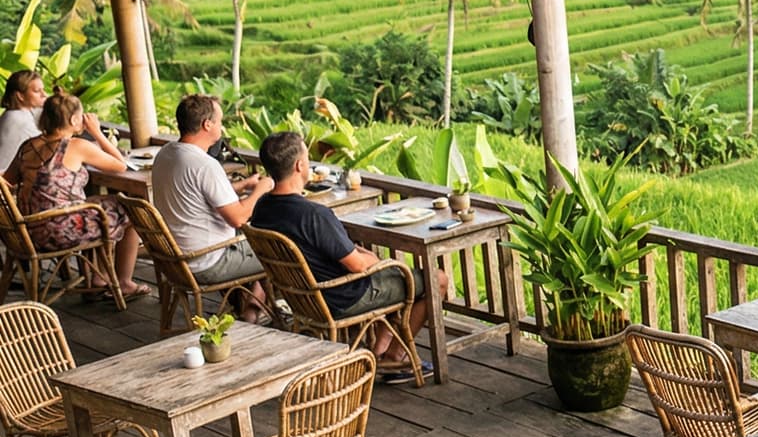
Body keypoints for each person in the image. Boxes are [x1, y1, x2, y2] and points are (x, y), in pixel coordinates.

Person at [250, 130, 443, 375]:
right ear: (299, 165)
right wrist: (374, 260)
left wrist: (360, 254)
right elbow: (358, 266)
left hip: (302, 298)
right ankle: (395, 356)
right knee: (436, 280)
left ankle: (379, 352)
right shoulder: (313, 215)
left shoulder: (262, 208)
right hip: (342, 296)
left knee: (392, 275)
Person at [5, 92, 143, 299]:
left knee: (101, 205)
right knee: (132, 211)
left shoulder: (28, 146)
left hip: (26, 231)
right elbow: (120, 166)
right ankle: (123, 282)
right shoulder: (77, 146)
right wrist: (97, 132)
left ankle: (98, 278)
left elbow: (8, 180)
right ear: (73, 119)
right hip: (60, 231)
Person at [150, 95, 273, 309]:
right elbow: (238, 218)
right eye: (220, 121)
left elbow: (194, 195)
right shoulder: (204, 165)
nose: (222, 127)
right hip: (205, 263)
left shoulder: (166, 154)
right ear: (207, 124)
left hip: (174, 261)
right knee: (280, 251)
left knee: (255, 238)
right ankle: (256, 307)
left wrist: (241, 187)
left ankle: (250, 303)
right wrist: (262, 188)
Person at [0, 70, 45, 175]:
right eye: (37, 91)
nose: (44, 95)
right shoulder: (19, 120)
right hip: (6, 185)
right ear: (20, 96)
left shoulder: (15, 114)